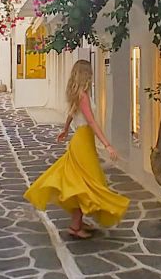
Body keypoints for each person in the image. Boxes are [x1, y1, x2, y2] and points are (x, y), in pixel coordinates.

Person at [24, 59, 130, 238]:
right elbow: (91, 122)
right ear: (85, 74)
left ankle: (77, 222)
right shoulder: (83, 95)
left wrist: (65, 130)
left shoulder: (78, 94)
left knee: (80, 182)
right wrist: (107, 144)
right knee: (86, 183)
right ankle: (75, 227)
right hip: (83, 141)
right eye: (90, 72)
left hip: (82, 140)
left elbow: (71, 113)